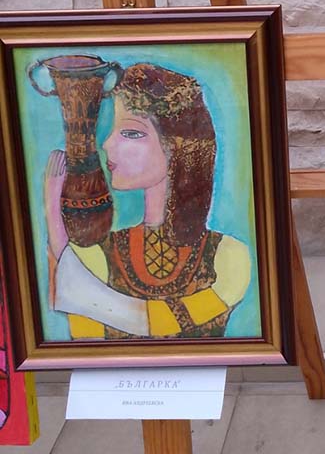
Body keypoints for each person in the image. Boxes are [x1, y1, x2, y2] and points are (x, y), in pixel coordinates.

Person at [44, 63, 250, 340]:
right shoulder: (99, 254)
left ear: (178, 146)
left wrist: (60, 243)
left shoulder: (228, 257)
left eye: (131, 133)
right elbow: (86, 346)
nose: (108, 144)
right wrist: (55, 225)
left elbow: (156, 321)